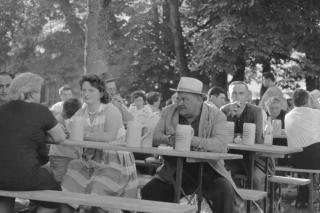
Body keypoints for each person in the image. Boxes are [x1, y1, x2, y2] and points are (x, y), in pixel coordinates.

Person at [141, 77, 242, 213]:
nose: (180, 103)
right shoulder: (169, 111)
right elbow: (156, 137)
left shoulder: (216, 115)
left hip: (209, 170)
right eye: (178, 99)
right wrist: (170, 140)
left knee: (225, 190)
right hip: (174, 171)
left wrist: (190, 139)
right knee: (149, 191)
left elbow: (221, 145)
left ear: (200, 100)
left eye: (185, 99)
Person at [61, 74, 138, 213]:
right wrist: (67, 129)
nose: (86, 93)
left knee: (98, 189)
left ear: (101, 92)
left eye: (91, 90)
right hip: (91, 159)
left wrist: (84, 135)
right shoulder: (83, 110)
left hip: (115, 161)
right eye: (84, 90)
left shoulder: (110, 109)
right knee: (68, 183)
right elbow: (69, 125)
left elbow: (109, 136)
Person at [0, 72, 66, 213]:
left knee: (4, 194)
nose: (39, 96)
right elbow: (60, 138)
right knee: (55, 194)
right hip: (25, 176)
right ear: (30, 93)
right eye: (38, 92)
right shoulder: (41, 110)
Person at [285, 89, 320, 207]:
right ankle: (309, 200)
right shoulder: (316, 113)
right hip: (315, 160)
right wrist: (317, 105)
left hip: (296, 160)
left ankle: (302, 200)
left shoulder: (288, 116)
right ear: (309, 100)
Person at [49, 98, 82, 182]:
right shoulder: (57, 121)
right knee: (58, 182)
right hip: (60, 157)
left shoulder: (77, 119)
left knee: (69, 183)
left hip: (72, 156)